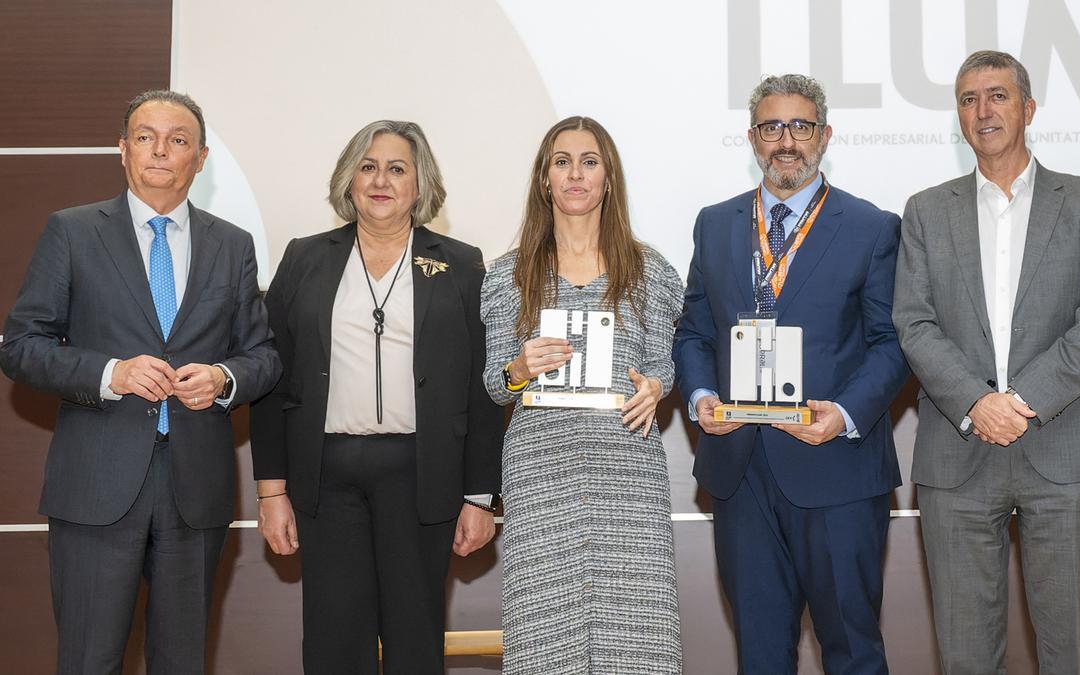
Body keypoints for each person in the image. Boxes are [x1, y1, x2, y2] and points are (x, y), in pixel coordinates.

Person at [0, 90, 280, 674]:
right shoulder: (72, 232)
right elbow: (22, 347)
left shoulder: (232, 244)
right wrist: (110, 373)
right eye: (146, 137)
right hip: (95, 484)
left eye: (178, 140)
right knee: (88, 661)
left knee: (180, 662)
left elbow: (262, 355)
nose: (161, 150)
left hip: (194, 488)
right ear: (122, 151)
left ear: (200, 159)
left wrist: (224, 379)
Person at [893, 50, 1080, 674]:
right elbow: (913, 323)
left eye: (997, 95)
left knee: (1066, 652)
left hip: (1066, 449)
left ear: (1028, 108)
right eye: (968, 100)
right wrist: (976, 402)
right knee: (965, 656)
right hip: (958, 452)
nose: (983, 110)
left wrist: (1021, 402)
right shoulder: (924, 210)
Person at [673, 74, 909, 674]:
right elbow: (695, 331)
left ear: (824, 136)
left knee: (852, 650)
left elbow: (892, 344)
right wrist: (701, 395)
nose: (786, 141)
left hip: (838, 473)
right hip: (741, 472)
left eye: (800, 126)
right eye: (771, 127)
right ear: (752, 138)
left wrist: (845, 415)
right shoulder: (715, 223)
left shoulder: (872, 227)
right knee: (760, 654)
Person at [248, 119, 502, 673]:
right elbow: (273, 380)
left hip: (422, 474)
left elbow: (481, 391)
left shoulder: (461, 263)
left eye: (396, 168)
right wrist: (270, 493)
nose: (380, 180)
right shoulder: (305, 257)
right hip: (326, 474)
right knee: (334, 645)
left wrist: (481, 496)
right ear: (349, 180)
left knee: (415, 644)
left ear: (419, 184)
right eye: (367, 166)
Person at [481, 116, 683, 673]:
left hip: (627, 468)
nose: (576, 174)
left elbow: (666, 360)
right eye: (561, 161)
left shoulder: (650, 272)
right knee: (545, 638)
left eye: (589, 161)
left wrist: (658, 385)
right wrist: (519, 367)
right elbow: (494, 384)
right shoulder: (507, 276)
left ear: (608, 178)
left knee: (637, 637)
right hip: (541, 471)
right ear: (544, 178)